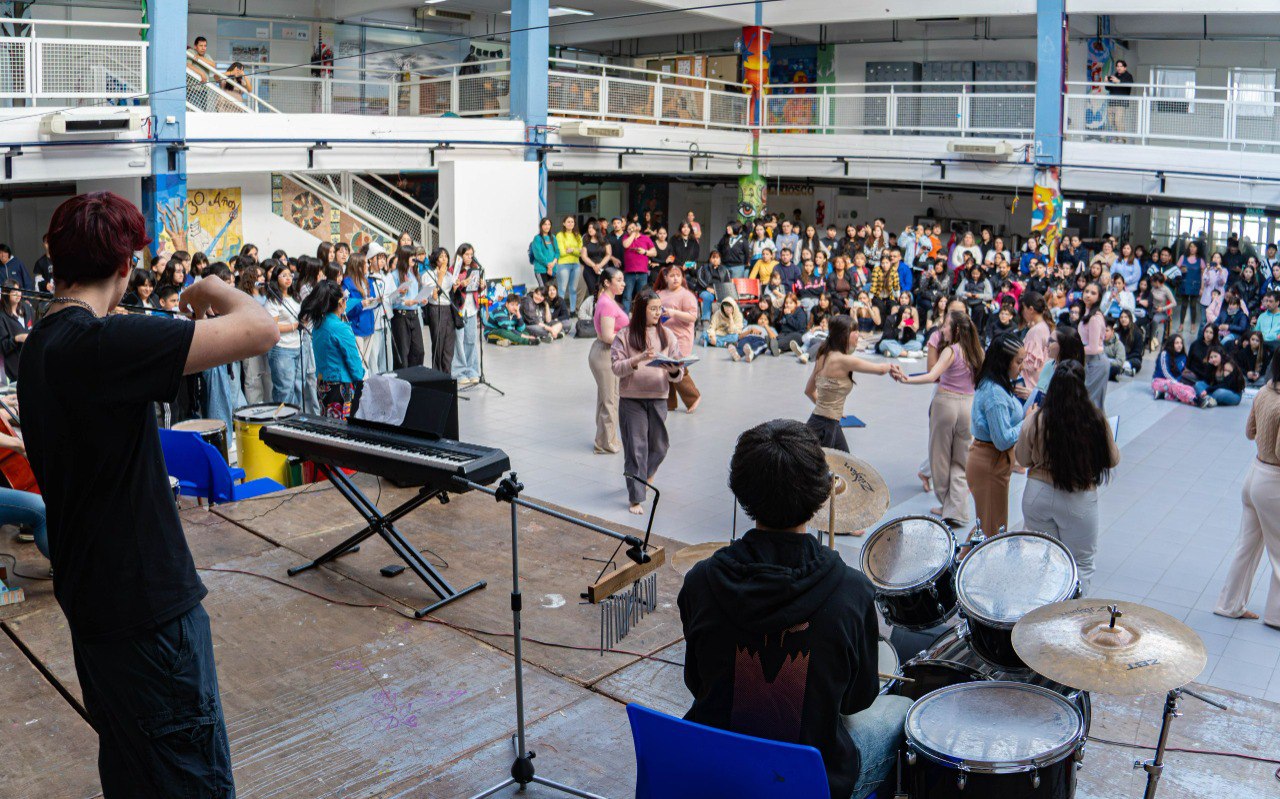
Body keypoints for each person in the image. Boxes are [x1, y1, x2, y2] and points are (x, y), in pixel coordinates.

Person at [20, 191, 278, 796]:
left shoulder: (41, 347)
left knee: (134, 773)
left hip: (95, 605)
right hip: (149, 615)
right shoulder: (101, 345)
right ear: (124, 266)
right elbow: (261, 327)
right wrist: (209, 285)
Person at [679, 419, 912, 799]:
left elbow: (696, 682)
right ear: (822, 493)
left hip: (716, 768)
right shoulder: (852, 592)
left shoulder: (701, 581)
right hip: (811, 782)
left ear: (741, 490)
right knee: (901, 709)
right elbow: (857, 700)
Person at [1016, 360, 1119, 595]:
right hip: (1078, 497)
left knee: (1043, 560)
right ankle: (1072, 614)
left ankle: (1041, 610)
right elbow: (1112, 459)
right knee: (1080, 563)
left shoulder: (1037, 419)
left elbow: (1022, 459)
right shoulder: (1095, 421)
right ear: (1082, 386)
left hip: (1038, 495)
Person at [1213, 351, 1280, 630]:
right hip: (1274, 482)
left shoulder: (1264, 392)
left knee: (1247, 547)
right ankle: (1276, 616)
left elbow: (1249, 432)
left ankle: (1228, 605)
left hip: (1254, 474)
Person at [900, 310, 985, 526]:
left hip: (945, 404)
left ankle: (947, 504)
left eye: (946, 325)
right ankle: (956, 509)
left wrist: (906, 379)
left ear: (955, 329)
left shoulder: (951, 351)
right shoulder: (977, 351)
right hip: (968, 405)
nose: (942, 329)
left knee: (939, 457)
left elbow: (932, 376)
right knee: (961, 460)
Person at [610, 288, 685, 514]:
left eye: (659, 308)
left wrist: (674, 370)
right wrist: (638, 358)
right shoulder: (625, 335)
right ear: (641, 310)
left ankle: (644, 476)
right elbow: (616, 367)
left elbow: (679, 371)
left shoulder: (667, 335)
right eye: (653, 309)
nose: (658, 312)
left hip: (658, 397)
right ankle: (635, 498)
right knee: (636, 448)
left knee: (660, 446)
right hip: (631, 399)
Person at [804, 315, 902, 452]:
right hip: (826, 428)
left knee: (845, 461)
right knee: (830, 464)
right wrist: (892, 367)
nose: (858, 334)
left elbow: (808, 391)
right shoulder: (844, 360)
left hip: (823, 422)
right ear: (843, 335)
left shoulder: (823, 355)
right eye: (854, 331)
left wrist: (829, 408)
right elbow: (880, 369)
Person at [965, 334, 1027, 539]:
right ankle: (967, 558)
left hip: (992, 462)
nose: (1022, 367)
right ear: (1004, 361)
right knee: (992, 530)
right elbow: (1002, 440)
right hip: (990, 462)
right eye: (1019, 362)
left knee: (988, 523)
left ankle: (963, 557)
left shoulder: (997, 384)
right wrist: (1027, 421)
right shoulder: (995, 393)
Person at [301, 280, 365, 419]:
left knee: (328, 423)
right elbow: (354, 362)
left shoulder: (318, 324)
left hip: (323, 384)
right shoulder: (340, 328)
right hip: (340, 386)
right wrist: (361, 380)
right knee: (343, 427)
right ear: (340, 302)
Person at [591, 267, 627, 454]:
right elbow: (606, 336)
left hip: (607, 353)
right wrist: (629, 338)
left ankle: (606, 438)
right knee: (609, 400)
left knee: (608, 398)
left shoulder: (607, 301)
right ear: (607, 282)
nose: (623, 284)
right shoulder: (607, 304)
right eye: (619, 280)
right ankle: (605, 444)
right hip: (605, 354)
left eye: (623, 280)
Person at [656, 264, 701, 413]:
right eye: (672, 275)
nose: (675, 278)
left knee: (677, 367)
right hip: (663, 337)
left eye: (678, 275)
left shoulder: (686, 295)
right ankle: (669, 402)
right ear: (666, 278)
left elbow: (692, 317)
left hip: (681, 338)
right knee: (665, 367)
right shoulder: (660, 293)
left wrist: (673, 313)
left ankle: (693, 397)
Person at [265, 261, 304, 405]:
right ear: (276, 278)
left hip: (297, 346)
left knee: (298, 387)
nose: (288, 278)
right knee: (285, 389)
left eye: (290, 275)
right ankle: (283, 417)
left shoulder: (295, 297)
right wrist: (294, 326)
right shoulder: (273, 300)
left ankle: (296, 416)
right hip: (281, 348)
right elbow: (272, 326)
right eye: (284, 275)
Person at [450, 243, 484, 385]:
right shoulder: (454, 269)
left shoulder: (475, 269)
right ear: (461, 255)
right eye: (467, 254)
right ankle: (459, 372)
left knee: (471, 340)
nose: (470, 257)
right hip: (459, 309)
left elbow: (475, 290)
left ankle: (472, 371)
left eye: (471, 254)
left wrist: (482, 286)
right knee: (459, 341)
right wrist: (461, 284)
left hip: (472, 309)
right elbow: (451, 290)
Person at [387, 245, 424, 370]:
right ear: (404, 257)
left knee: (418, 351)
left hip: (414, 314)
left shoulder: (414, 274)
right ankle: (402, 380)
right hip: (401, 316)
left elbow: (415, 297)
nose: (414, 258)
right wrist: (402, 298)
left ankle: (414, 378)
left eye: (414, 255)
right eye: (411, 255)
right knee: (402, 353)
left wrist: (421, 300)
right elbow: (391, 300)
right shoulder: (394, 275)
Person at [1079, 282, 1109, 410]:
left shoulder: (1094, 318)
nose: (1088, 295)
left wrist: (1073, 348)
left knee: (1091, 405)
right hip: (1089, 361)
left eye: (1093, 293)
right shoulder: (1087, 313)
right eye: (1086, 291)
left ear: (1099, 297)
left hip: (1096, 363)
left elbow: (1093, 348)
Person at [0, 280, 33, 382]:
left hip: (32, 360)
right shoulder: (2, 316)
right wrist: (16, 338)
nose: (18, 294)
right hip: (15, 367)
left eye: (19, 290)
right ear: (6, 294)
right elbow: (3, 346)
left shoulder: (27, 308)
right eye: (14, 292)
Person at [620, 221, 656, 312]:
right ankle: (625, 318)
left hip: (642, 272)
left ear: (638, 228)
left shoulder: (645, 238)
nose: (631, 230)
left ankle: (641, 317)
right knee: (627, 296)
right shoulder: (626, 237)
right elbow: (626, 245)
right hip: (629, 272)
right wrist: (633, 234)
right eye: (629, 229)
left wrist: (645, 252)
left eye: (633, 227)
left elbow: (654, 252)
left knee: (642, 297)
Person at [555, 215, 583, 312]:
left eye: (572, 222)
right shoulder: (560, 235)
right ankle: (560, 311)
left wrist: (571, 250)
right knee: (562, 289)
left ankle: (572, 311)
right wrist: (576, 250)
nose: (570, 223)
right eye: (568, 222)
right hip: (563, 265)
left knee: (573, 289)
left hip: (576, 265)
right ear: (564, 223)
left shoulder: (578, 235)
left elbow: (581, 252)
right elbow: (562, 252)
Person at [580, 220, 612, 301]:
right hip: (589, 270)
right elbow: (584, 256)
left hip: (602, 269)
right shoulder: (586, 241)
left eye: (592, 228)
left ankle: (603, 307)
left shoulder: (604, 240)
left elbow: (608, 254)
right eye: (589, 228)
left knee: (603, 290)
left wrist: (599, 265)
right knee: (592, 292)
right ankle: (594, 308)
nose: (590, 229)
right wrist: (594, 266)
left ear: (597, 229)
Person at [530, 217, 559, 289]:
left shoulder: (553, 237)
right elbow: (538, 255)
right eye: (545, 224)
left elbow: (557, 252)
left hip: (553, 269)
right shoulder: (537, 238)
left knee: (551, 291)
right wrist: (548, 265)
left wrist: (553, 264)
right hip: (541, 269)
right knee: (543, 290)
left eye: (549, 224)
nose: (547, 226)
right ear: (541, 226)